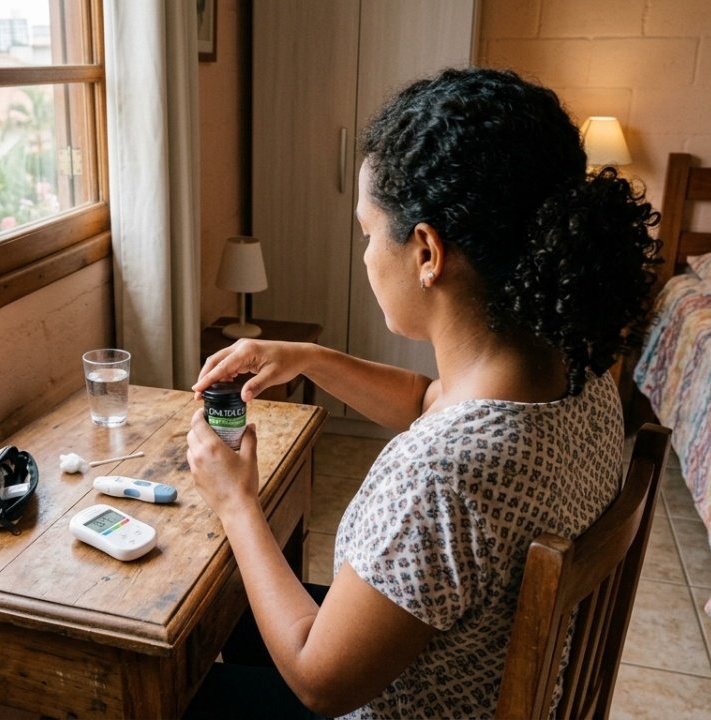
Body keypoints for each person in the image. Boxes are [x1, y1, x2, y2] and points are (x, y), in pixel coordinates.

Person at [184, 67, 660, 719]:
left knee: (170, 685)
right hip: (485, 669)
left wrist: (237, 502)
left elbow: (320, 683)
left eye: (368, 232)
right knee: (225, 616)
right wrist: (308, 357)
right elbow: (429, 401)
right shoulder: (575, 370)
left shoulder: (440, 478)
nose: (365, 254)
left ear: (428, 252)